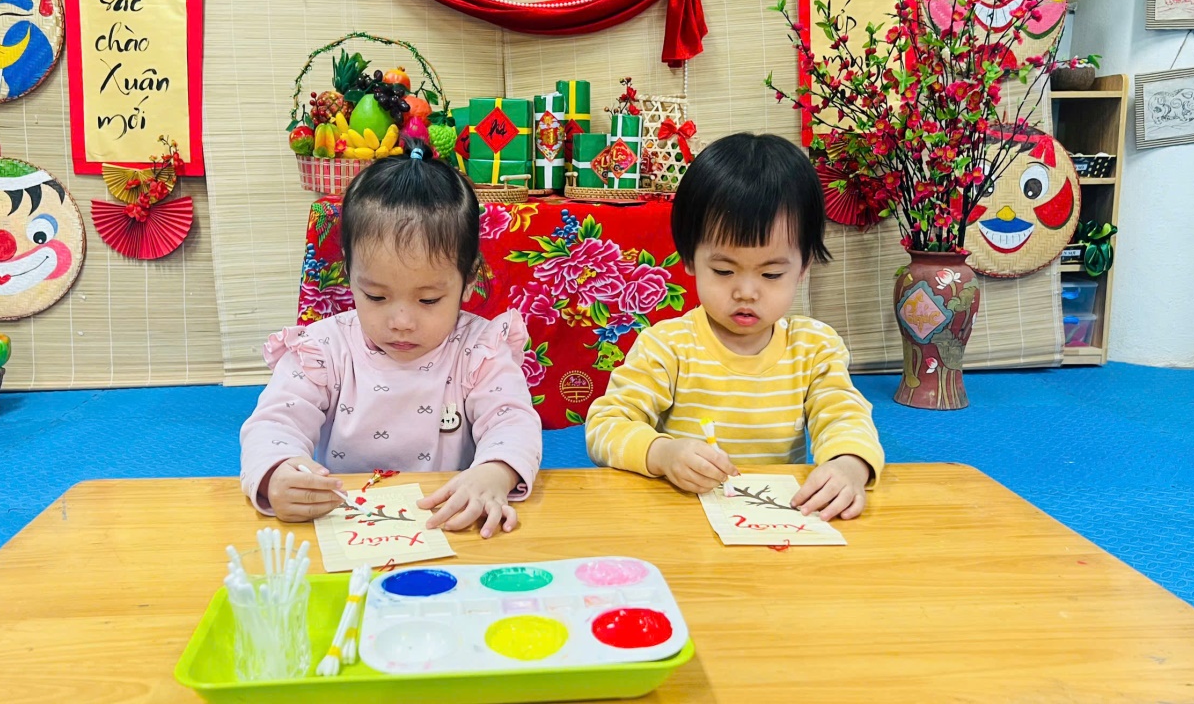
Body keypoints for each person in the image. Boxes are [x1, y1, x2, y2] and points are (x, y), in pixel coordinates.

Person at [240, 144, 541, 537]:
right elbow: (274, 423)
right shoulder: (322, 350)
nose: (401, 323)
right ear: (349, 271)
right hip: (345, 522)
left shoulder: (479, 350)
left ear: (469, 279)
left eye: (428, 300)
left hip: (448, 520)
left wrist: (495, 473)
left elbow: (512, 420)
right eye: (376, 296)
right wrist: (277, 473)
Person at [585, 133, 883, 521]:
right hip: (680, 517)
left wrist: (849, 465)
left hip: (776, 521)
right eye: (724, 271)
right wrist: (662, 453)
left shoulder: (813, 348)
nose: (746, 292)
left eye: (771, 274)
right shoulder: (668, 346)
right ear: (690, 258)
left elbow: (845, 417)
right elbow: (605, 426)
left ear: (803, 267)